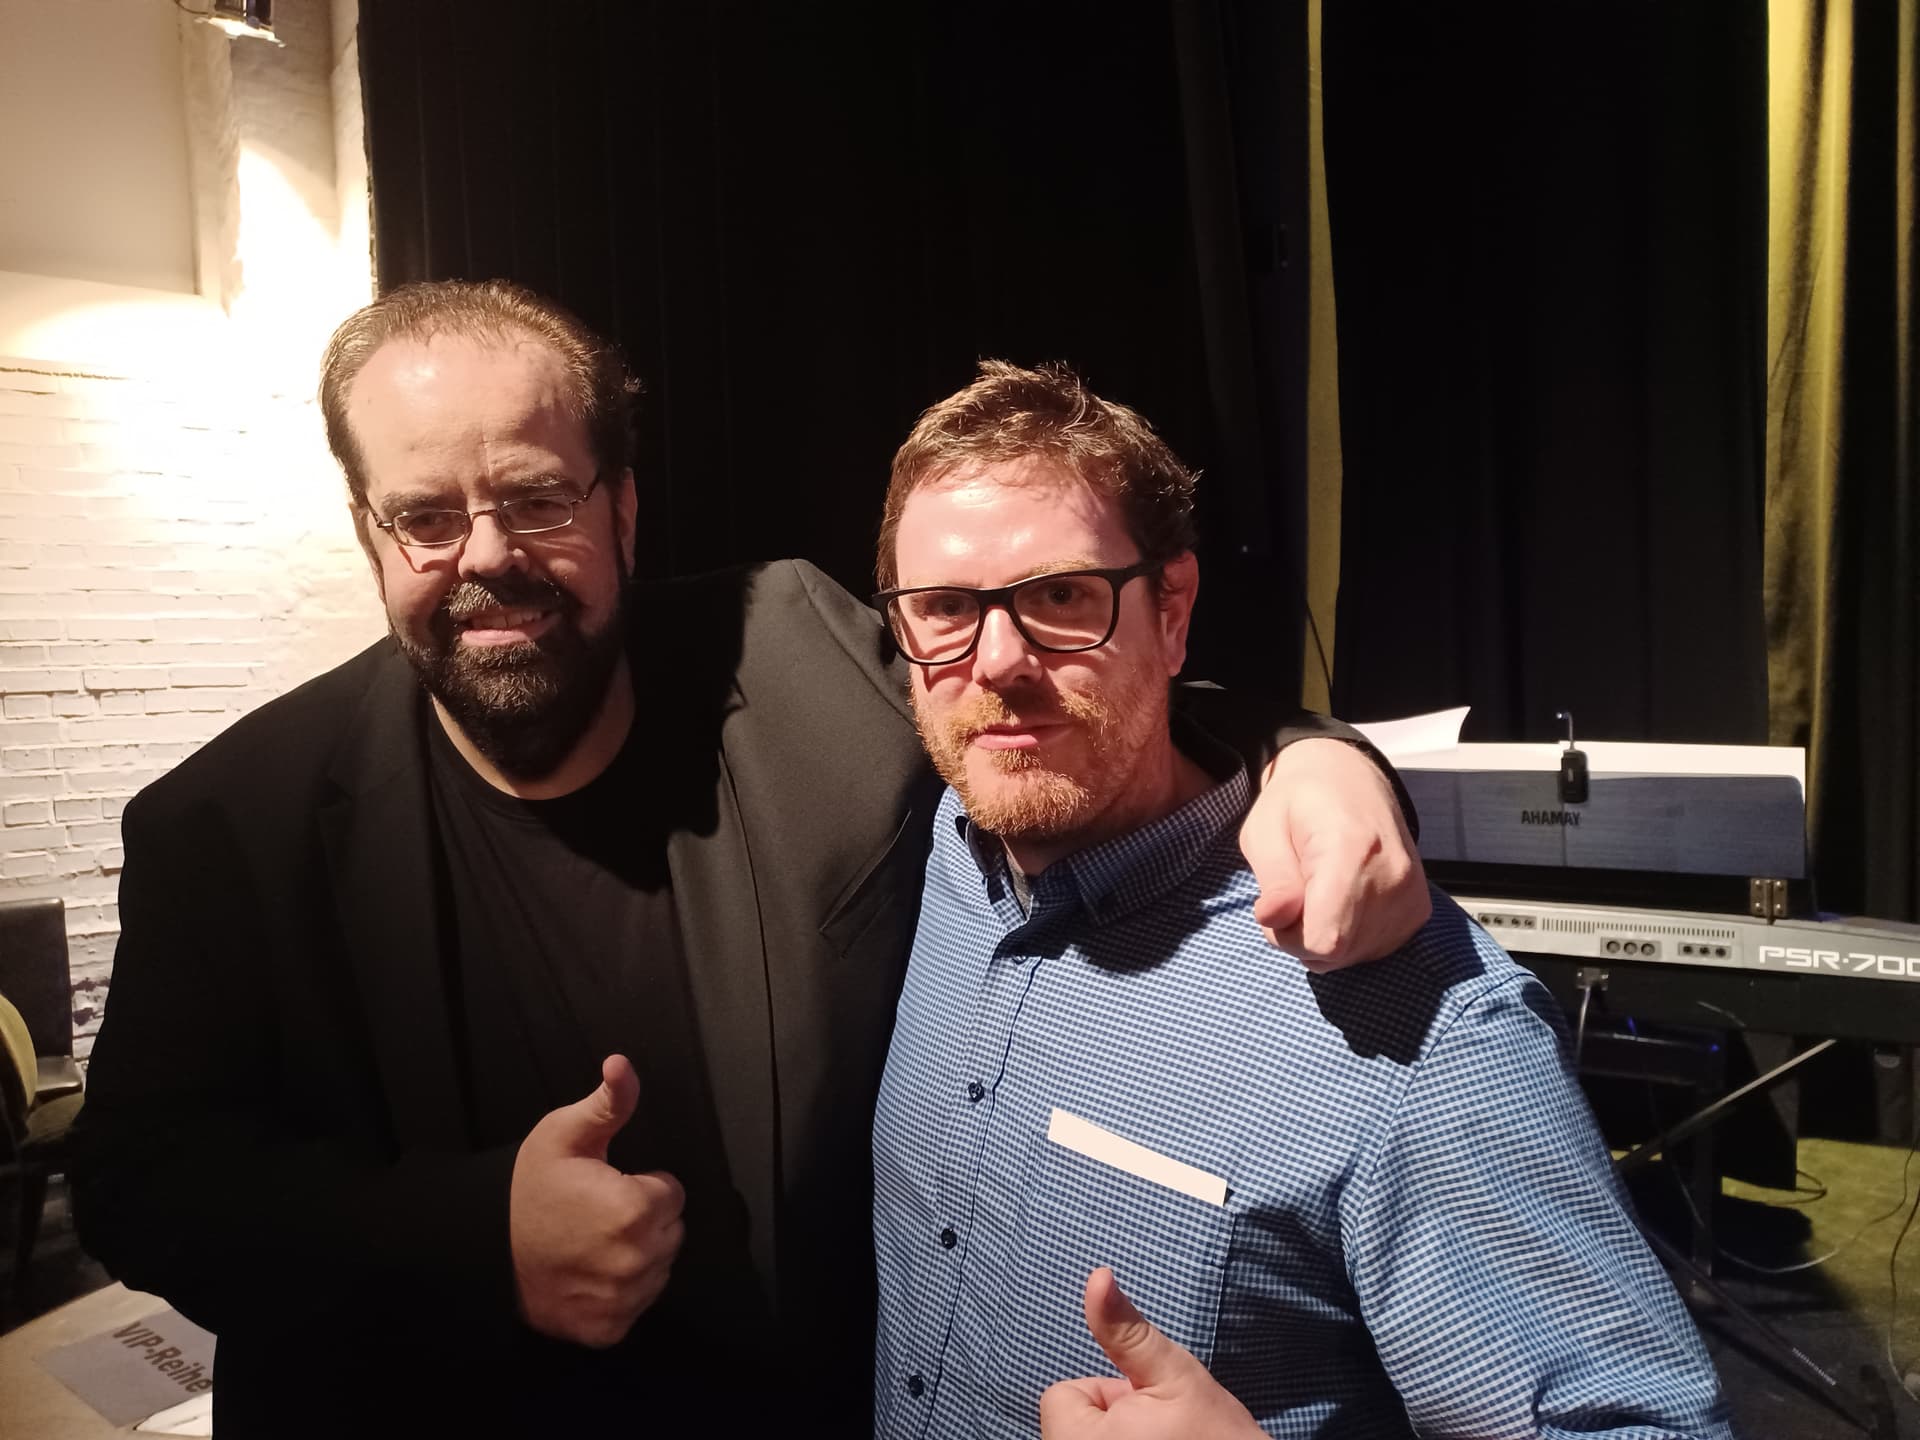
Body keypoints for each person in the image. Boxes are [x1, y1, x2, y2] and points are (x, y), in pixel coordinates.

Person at [68, 282, 1430, 1435]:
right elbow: (140, 1187)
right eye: (426, 515)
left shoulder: (793, 651)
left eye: (537, 498)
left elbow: (1037, 686)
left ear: (623, 509)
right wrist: (475, 1238)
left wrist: (1308, 754)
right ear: (371, 528)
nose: (487, 557)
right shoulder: (229, 823)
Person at [868, 362, 1732, 1438]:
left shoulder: (1422, 1023)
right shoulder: (936, 851)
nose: (997, 661)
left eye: (1061, 597)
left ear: (1171, 612)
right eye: (945, 608)